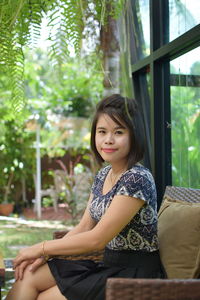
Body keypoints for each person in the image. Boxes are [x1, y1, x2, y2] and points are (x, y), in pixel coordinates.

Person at [6, 94, 166, 300]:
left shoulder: (137, 178)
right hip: (107, 266)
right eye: (102, 132)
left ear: (134, 135)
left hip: (135, 275)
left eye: (118, 132)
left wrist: (41, 248)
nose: (108, 139)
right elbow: (84, 227)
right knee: (28, 274)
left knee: (44, 297)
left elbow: (97, 239)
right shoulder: (103, 174)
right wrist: (45, 255)